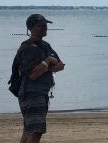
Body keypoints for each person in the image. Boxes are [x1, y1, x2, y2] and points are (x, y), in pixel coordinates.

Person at [15, 14, 65, 143]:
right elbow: (33, 74)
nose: (45, 28)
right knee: (36, 131)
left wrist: (44, 66)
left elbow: (60, 66)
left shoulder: (45, 45)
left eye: (45, 25)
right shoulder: (27, 48)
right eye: (41, 25)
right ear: (31, 28)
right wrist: (48, 60)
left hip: (41, 93)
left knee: (29, 130)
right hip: (30, 93)